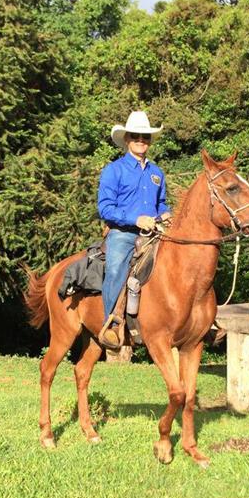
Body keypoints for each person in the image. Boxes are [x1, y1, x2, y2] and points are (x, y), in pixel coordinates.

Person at [97, 111, 171, 349]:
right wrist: (135, 219)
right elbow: (105, 208)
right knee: (116, 268)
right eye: (136, 136)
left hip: (155, 233)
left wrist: (165, 213)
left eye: (145, 137)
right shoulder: (114, 170)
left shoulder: (157, 173)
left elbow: (161, 203)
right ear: (127, 139)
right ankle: (112, 324)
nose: (141, 140)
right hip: (123, 233)